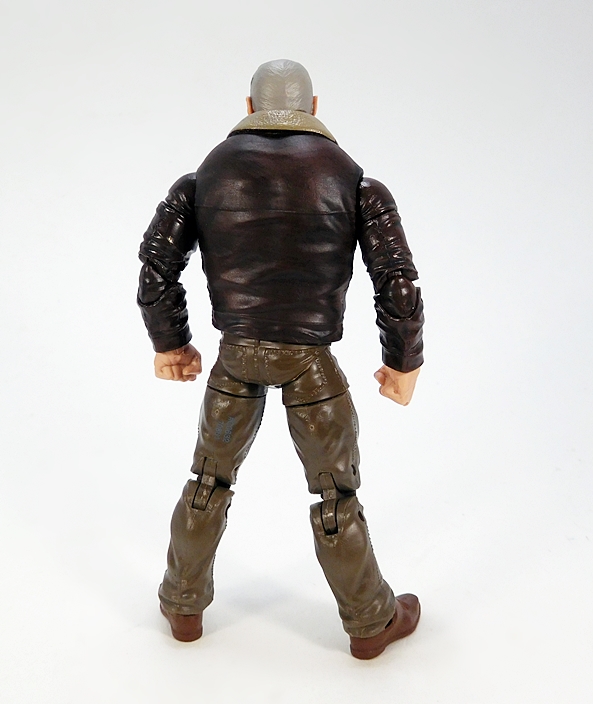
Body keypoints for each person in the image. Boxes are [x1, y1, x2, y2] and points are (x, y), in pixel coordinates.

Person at [137, 59, 424, 659]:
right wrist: (403, 359)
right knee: (335, 496)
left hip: (235, 358)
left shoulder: (203, 178)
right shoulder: (354, 181)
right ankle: (370, 622)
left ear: (249, 108)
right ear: (313, 108)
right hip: (309, 363)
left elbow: (156, 268)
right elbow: (396, 279)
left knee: (208, 481)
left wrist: (171, 343)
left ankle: (183, 606)